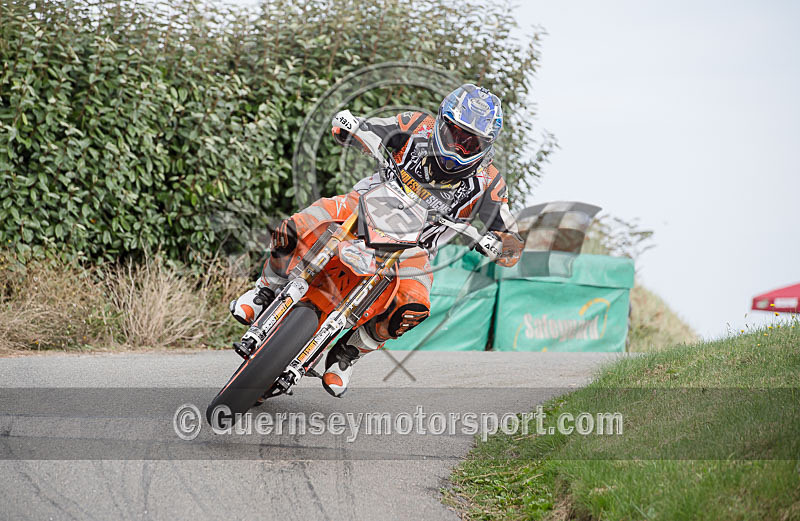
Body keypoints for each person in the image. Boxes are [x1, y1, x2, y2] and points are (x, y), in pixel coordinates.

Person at [230, 84, 523, 397]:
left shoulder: (489, 183)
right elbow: (366, 127)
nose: (458, 147)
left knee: (413, 305)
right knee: (298, 225)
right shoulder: (415, 126)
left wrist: (500, 245)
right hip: (361, 207)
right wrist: (351, 128)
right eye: (454, 134)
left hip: (416, 247)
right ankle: (265, 289)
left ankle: (349, 352)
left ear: (486, 145)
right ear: (441, 122)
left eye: (470, 142)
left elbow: (512, 240)